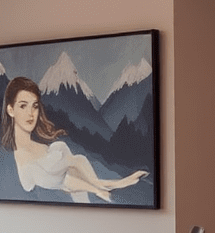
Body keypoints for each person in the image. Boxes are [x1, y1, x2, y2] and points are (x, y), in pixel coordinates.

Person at [1, 76, 147, 204]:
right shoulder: (7, 157)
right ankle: (107, 186)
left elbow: (67, 182)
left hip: (70, 208)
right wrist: (107, 186)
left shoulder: (45, 149)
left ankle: (104, 189)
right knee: (72, 158)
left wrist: (98, 188)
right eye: (23, 106)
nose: (30, 113)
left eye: (35, 106)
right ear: (10, 110)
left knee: (64, 151)